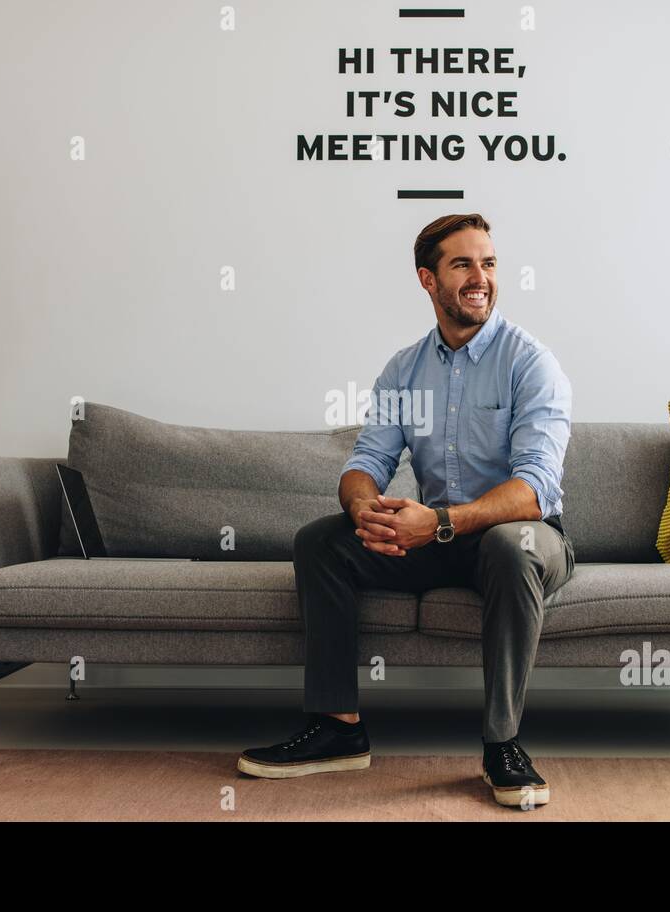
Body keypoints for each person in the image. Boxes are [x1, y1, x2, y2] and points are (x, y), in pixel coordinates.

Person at [237, 213, 574, 808]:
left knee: (508, 544)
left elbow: (535, 488)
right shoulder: (404, 370)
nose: (481, 277)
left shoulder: (530, 363)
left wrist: (440, 521)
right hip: (435, 539)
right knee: (322, 540)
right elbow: (367, 458)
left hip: (522, 538)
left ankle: (503, 744)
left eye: (489, 263)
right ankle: (339, 728)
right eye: (462, 264)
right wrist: (366, 507)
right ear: (428, 279)